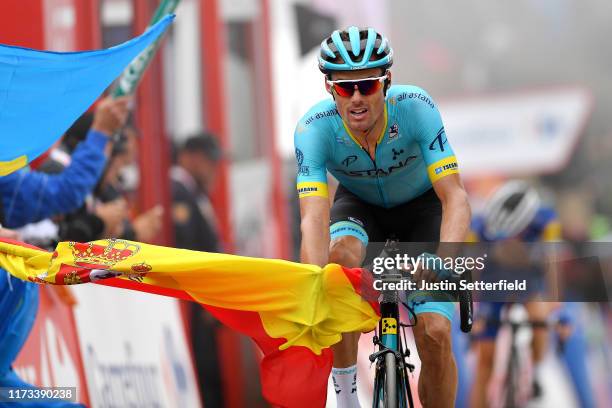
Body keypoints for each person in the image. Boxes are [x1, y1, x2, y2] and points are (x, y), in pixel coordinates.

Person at [294, 27, 471, 407]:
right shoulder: (313, 128)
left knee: (436, 332)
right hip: (359, 208)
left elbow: (455, 196)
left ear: (386, 82)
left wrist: (445, 261)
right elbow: (312, 215)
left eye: (368, 86)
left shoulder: (416, 107)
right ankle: (345, 399)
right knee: (336, 263)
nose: (357, 98)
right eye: (345, 88)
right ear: (329, 88)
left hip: (422, 209)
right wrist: (314, 279)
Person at [0, 96, 130, 406]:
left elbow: (65, 195)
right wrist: (100, 133)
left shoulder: (10, 174)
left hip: (18, 278)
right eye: (115, 153)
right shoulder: (50, 167)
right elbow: (66, 195)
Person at [468, 180, 595, 408]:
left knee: (539, 318)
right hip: (493, 280)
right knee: (485, 359)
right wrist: (474, 311)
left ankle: (533, 366)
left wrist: (555, 306)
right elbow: (472, 270)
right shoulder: (479, 225)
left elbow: (553, 263)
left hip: (529, 279)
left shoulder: (546, 221)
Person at [171, 133, 224, 408]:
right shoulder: (178, 190)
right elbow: (187, 246)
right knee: (202, 369)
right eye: (207, 161)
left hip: (203, 301)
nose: (211, 169)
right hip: (194, 300)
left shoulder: (194, 193)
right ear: (189, 156)